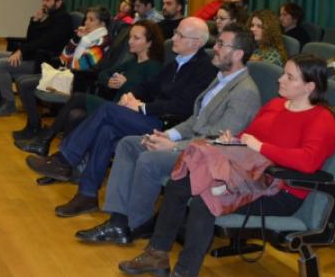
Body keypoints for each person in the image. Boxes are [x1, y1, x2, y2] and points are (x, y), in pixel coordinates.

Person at [118, 54, 335, 277]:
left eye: (290, 77)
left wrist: (260, 147)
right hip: (247, 177)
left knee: (205, 200)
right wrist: (232, 140)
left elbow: (307, 161)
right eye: (284, 73)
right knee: (181, 178)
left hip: (280, 191)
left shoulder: (321, 119)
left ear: (309, 86)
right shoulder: (276, 105)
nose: (280, 79)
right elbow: (249, 137)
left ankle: (184, 272)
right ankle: (157, 254)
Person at [74, 24, 262, 245]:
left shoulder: (245, 92)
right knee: (129, 144)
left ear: (238, 54)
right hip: (189, 142)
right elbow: (195, 119)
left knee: (149, 158)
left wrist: (173, 147)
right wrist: (169, 136)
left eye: (222, 44)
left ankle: (135, 225)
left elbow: (218, 141)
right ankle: (117, 221)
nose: (216, 47)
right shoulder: (221, 78)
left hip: (206, 156)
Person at [25, 17, 217, 217]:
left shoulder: (205, 69)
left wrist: (142, 107)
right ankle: (87, 195)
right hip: (154, 117)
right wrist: (131, 94)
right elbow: (149, 86)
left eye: (180, 35)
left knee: (107, 110)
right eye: (175, 32)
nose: (174, 38)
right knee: (107, 130)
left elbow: (183, 106)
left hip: (168, 126)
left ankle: (65, 159)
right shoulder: (176, 62)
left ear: (196, 42)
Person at [15, 20, 165, 156]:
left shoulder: (153, 66)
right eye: (130, 37)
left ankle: (45, 142)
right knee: (74, 114)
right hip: (113, 106)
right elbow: (103, 73)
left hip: (123, 112)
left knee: (78, 97)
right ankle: (62, 155)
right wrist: (109, 82)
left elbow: (148, 94)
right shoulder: (132, 62)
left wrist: (125, 84)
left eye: (136, 38)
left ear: (150, 43)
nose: (130, 41)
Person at [12, 6, 112, 140]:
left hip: (78, 82)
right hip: (68, 75)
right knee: (21, 82)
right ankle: (33, 126)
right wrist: (77, 39)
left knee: (25, 85)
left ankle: (34, 127)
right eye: (86, 19)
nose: (86, 23)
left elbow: (81, 65)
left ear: (102, 24)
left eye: (91, 20)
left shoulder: (103, 41)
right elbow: (64, 56)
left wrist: (72, 58)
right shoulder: (86, 37)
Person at [0, 0, 73, 117]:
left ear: (59, 2)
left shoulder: (63, 20)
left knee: (0, 64)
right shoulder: (49, 17)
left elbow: (44, 41)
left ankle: (9, 104)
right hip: (32, 56)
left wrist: (21, 51)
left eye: (48, 0)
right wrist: (34, 21)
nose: (44, 3)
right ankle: (2, 93)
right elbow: (31, 39)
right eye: (43, 0)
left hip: (43, 62)